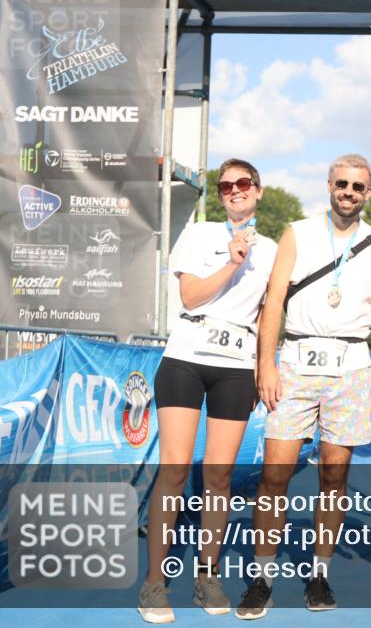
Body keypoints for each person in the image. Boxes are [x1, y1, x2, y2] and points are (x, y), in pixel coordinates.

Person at [236, 154, 371, 619]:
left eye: (358, 187)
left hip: (351, 368)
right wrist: (266, 364)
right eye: (342, 183)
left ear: (369, 192)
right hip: (297, 363)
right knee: (274, 476)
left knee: (334, 476)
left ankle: (319, 574)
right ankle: (262, 578)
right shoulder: (298, 232)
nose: (349, 192)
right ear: (328, 185)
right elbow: (274, 300)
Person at [139, 158, 277, 624]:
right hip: (186, 357)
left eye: (243, 184)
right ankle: (154, 584)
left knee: (218, 478)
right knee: (174, 471)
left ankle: (207, 576)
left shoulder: (276, 250)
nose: (234, 190)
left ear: (258, 190)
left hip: (236, 365)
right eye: (225, 186)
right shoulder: (199, 235)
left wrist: (265, 366)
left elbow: (268, 314)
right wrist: (231, 263)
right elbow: (191, 297)